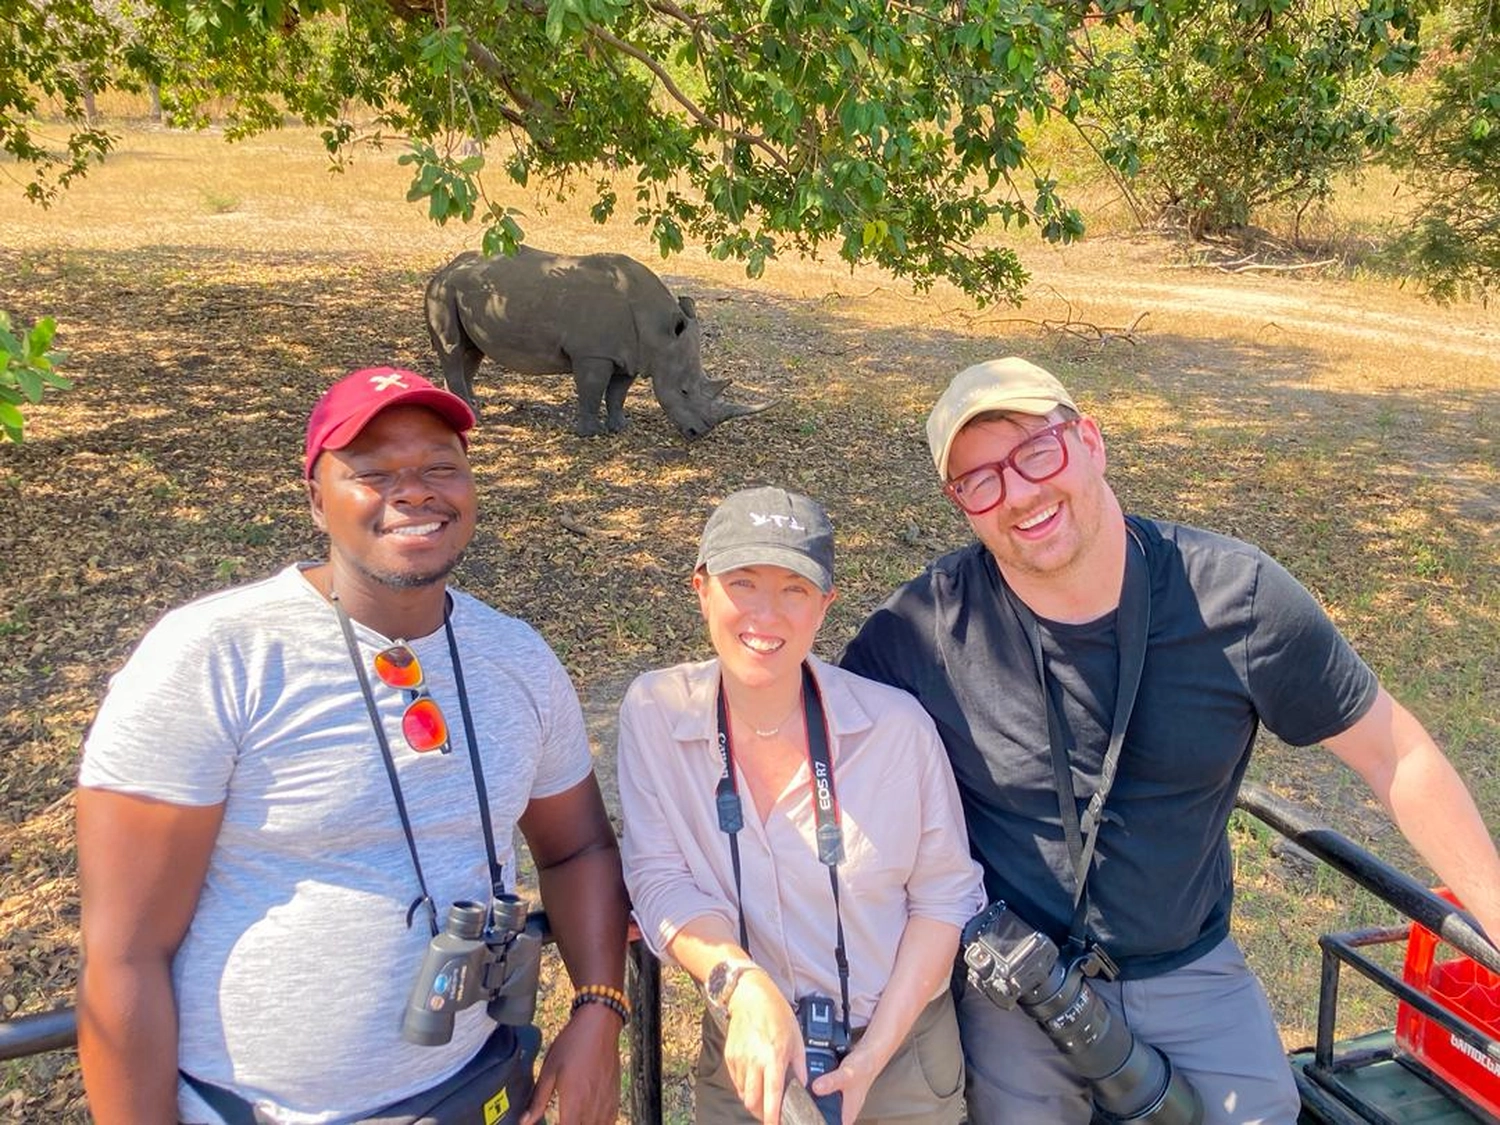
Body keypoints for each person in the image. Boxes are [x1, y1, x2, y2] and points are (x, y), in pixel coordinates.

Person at [840, 357, 1500, 1125]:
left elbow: (1396, 752)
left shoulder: (1238, 599)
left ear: (1090, 440)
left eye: (1036, 451)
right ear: (963, 506)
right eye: (979, 480)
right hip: (1016, 983)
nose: (1018, 493)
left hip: (1188, 962)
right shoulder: (923, 628)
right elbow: (812, 751)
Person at [75, 367, 630, 1125]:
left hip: (480, 1092)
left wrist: (599, 1008)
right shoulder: (213, 657)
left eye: (441, 466)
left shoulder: (518, 658)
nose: (414, 492)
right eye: (372, 472)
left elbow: (579, 850)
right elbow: (122, 955)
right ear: (315, 499)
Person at [617, 486, 986, 1125]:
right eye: (744, 583)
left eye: (794, 589)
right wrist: (741, 982)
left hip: (900, 1055)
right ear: (701, 588)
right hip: (749, 1047)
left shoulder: (895, 730)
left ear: (825, 606)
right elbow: (659, 878)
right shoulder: (655, 716)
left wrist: (872, 1056)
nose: (767, 614)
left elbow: (943, 899)